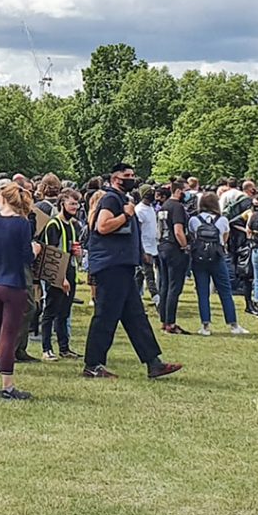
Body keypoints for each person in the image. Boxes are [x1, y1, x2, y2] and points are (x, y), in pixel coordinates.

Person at [83, 163, 181, 380]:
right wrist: (126, 216)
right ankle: (92, 365)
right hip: (111, 267)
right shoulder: (111, 199)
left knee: (136, 317)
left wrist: (140, 252)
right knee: (105, 317)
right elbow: (103, 226)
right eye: (127, 175)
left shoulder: (122, 200)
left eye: (133, 175)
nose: (132, 179)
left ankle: (153, 363)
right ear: (116, 178)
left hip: (123, 266)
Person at [0, 183, 41, 400]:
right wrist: (35, 248)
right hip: (14, 284)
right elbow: (27, 257)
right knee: (9, 335)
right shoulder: (22, 224)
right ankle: (8, 385)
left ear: (2, 198)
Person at [188, 192, 248, 337]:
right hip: (217, 257)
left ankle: (205, 325)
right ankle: (233, 324)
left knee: (203, 292)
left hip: (199, 258)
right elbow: (225, 238)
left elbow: (192, 236)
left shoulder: (194, 220)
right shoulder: (223, 220)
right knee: (225, 291)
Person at [40, 190, 82, 362]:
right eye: (72, 203)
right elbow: (51, 253)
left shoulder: (72, 225)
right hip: (57, 273)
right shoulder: (53, 224)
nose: (75, 207)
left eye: (77, 204)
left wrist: (78, 254)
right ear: (62, 204)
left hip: (70, 271)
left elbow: (71, 250)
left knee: (64, 311)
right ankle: (46, 349)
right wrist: (60, 277)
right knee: (50, 311)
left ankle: (64, 348)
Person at [157, 180, 191, 334]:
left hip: (163, 246)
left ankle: (164, 320)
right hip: (174, 248)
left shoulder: (164, 206)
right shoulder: (177, 207)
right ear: (178, 191)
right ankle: (170, 322)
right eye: (186, 190)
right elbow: (178, 230)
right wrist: (185, 246)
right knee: (174, 287)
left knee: (164, 285)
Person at [134, 184, 159, 307]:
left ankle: (135, 299)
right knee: (149, 275)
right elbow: (137, 232)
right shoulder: (139, 210)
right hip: (145, 247)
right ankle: (156, 298)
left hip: (153, 246)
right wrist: (143, 251)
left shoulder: (151, 208)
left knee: (139, 276)